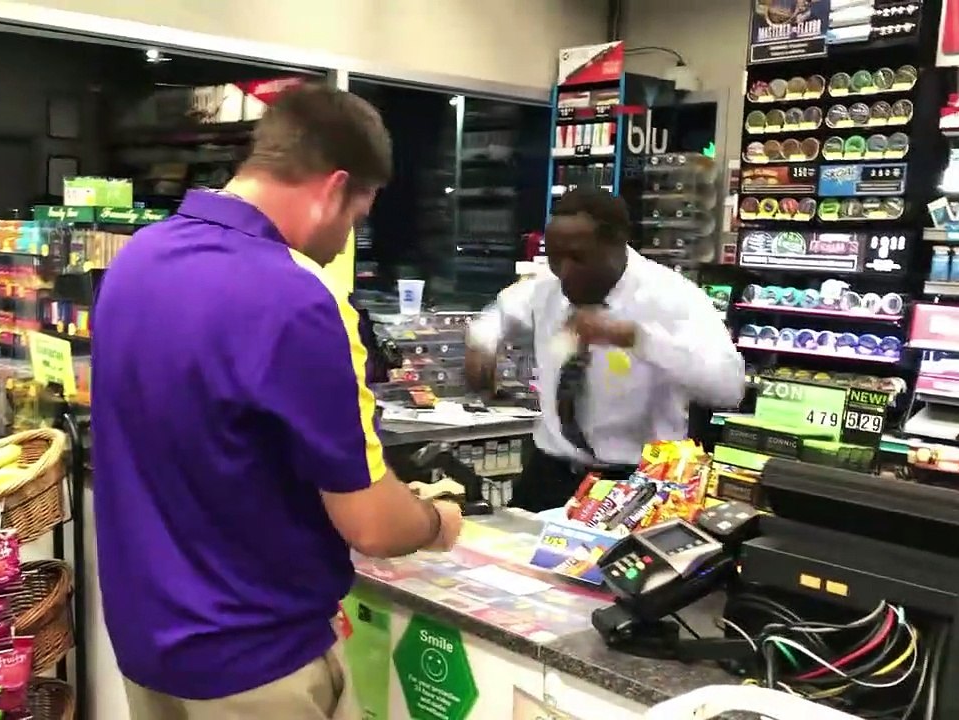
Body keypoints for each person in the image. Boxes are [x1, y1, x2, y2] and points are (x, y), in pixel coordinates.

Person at [91, 84, 464, 720]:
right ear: (333, 187)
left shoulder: (138, 260)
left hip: (146, 641)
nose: (348, 238)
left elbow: (212, 444)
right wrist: (436, 523)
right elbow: (372, 525)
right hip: (257, 660)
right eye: (357, 215)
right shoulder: (296, 300)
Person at [464, 188, 746, 512]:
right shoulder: (549, 287)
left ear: (617, 245)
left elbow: (729, 387)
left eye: (578, 257)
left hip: (634, 485)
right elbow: (499, 313)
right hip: (551, 474)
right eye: (555, 257)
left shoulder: (674, 299)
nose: (564, 271)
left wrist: (638, 339)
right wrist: (483, 344)